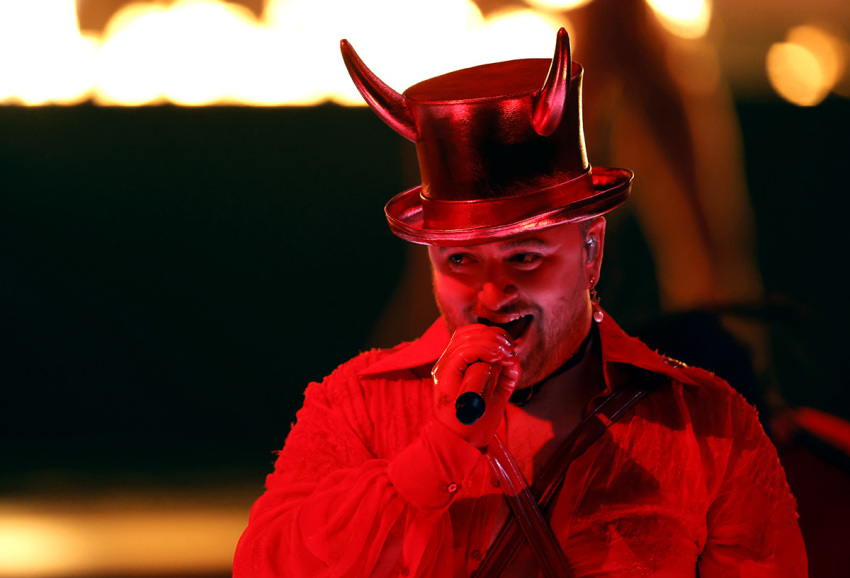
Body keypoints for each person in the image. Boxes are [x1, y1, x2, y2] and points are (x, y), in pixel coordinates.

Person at [233, 29, 806, 577]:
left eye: (525, 257)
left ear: (590, 250)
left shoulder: (708, 427)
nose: (491, 292)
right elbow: (269, 567)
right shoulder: (356, 409)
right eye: (461, 259)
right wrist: (437, 457)